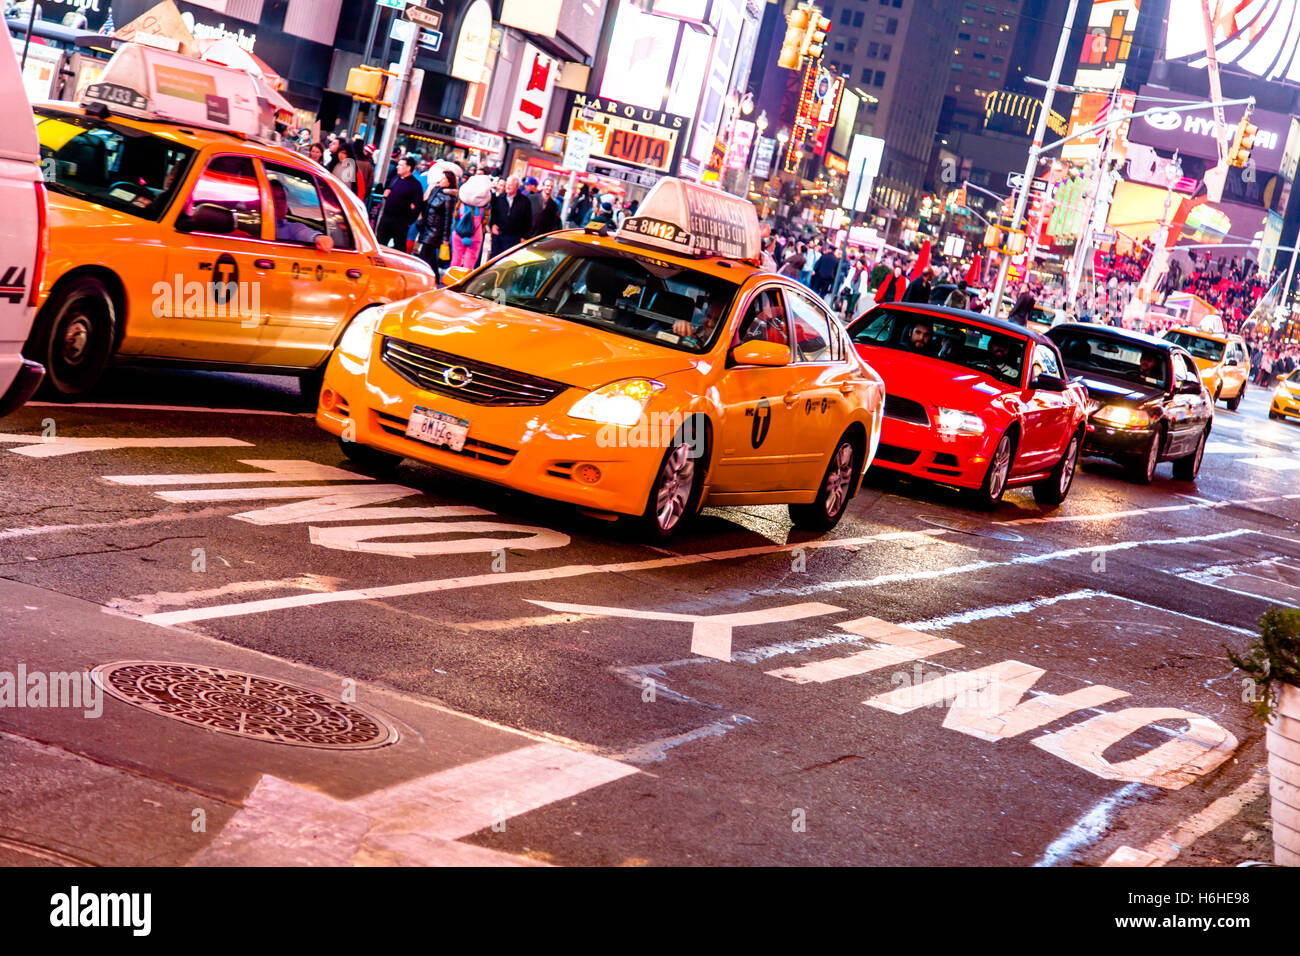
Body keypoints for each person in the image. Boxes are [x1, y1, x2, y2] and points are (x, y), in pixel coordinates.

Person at [418, 168, 458, 284]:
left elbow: (448, 219)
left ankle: (422, 279)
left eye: (444, 178)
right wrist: (429, 190)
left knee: (424, 256)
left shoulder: (449, 197)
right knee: (430, 258)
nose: (441, 180)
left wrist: (445, 238)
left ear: (449, 182)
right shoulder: (435, 190)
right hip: (426, 227)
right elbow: (425, 204)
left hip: (435, 230)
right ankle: (435, 277)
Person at [375, 155, 423, 249]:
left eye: (401, 165)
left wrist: (409, 222)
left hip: (401, 222)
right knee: (380, 245)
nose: (397, 167)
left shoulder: (415, 185)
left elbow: (417, 205)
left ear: (408, 168)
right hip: (386, 218)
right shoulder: (396, 178)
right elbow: (389, 188)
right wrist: (387, 191)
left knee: (399, 247)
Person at [490, 176, 533, 257]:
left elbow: (528, 220)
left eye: (511, 185)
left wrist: (525, 236)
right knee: (495, 260)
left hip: (514, 238)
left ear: (517, 187)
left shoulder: (525, 201)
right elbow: (493, 214)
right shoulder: (499, 198)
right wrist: (493, 225)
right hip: (499, 236)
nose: (507, 187)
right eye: (507, 184)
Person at [270, 180, 321, 244]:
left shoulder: (292, 228)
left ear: (287, 207)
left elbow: (305, 233)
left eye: (282, 198)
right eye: (273, 197)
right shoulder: (255, 225)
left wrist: (318, 238)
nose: (278, 201)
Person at [449, 193, 485, 271]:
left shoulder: (460, 205)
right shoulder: (482, 208)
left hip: (459, 234)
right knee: (470, 261)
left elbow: (454, 220)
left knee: (456, 258)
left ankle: (452, 279)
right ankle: (465, 280)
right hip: (475, 237)